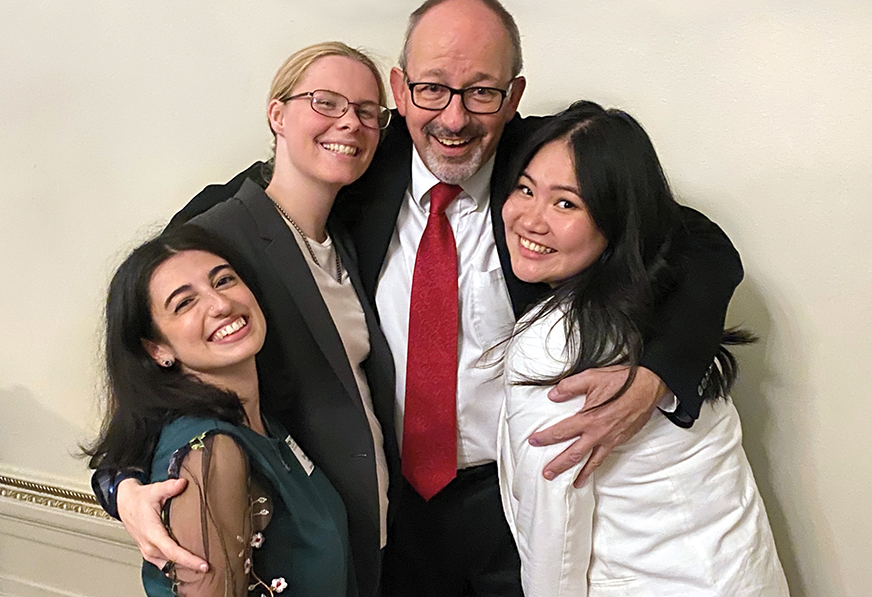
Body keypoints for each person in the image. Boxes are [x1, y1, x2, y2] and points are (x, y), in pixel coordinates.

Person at [104, 1, 745, 595]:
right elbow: (154, 302)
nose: (455, 117)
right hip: (386, 510)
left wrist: (657, 376)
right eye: (432, 87)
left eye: (482, 91)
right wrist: (122, 479)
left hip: (516, 503)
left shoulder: (543, 164)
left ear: (513, 94)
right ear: (401, 89)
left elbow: (706, 249)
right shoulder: (352, 164)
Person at [92, 42, 400, 597]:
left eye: (367, 111)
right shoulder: (216, 236)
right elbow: (145, 365)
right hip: (284, 551)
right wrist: (122, 487)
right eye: (325, 102)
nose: (349, 122)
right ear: (277, 114)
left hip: (356, 540)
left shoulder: (353, 230)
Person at [497, 102, 789, 596]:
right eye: (525, 189)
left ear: (616, 219)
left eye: (566, 203)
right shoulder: (662, 297)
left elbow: (555, 528)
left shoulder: (554, 348)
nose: (531, 219)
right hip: (740, 572)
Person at [86, 225, 355, 596]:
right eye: (184, 303)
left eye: (224, 280)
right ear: (157, 350)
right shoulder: (210, 451)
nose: (220, 304)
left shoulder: (265, 423)